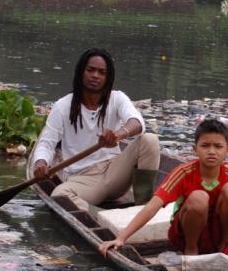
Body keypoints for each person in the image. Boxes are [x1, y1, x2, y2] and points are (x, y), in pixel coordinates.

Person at [99, 119, 228, 261]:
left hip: (219, 234)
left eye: (218, 146)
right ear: (195, 149)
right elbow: (152, 206)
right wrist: (121, 238)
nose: (211, 151)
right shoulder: (184, 173)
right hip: (189, 234)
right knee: (199, 197)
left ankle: (223, 249)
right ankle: (191, 250)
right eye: (205, 146)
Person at [32, 48, 160, 211]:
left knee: (150, 140)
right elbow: (46, 144)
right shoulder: (63, 106)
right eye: (90, 70)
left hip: (114, 172)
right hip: (83, 179)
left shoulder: (117, 98)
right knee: (60, 196)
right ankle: (99, 217)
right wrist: (41, 162)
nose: (95, 76)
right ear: (81, 73)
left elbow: (137, 122)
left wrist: (118, 135)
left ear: (107, 78)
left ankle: (144, 207)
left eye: (101, 72)